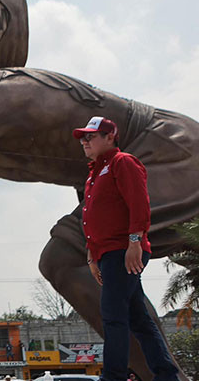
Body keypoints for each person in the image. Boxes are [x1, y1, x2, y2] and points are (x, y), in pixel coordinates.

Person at [74, 116, 179, 380]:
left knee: (112, 315)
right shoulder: (94, 173)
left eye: (91, 136)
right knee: (139, 320)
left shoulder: (123, 162)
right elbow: (94, 217)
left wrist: (135, 241)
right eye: (82, 137)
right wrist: (92, 254)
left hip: (123, 250)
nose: (84, 141)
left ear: (110, 137)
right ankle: (166, 374)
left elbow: (139, 203)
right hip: (108, 252)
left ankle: (114, 376)